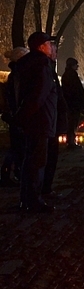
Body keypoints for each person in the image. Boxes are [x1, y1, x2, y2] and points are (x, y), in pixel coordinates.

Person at [12, 32, 58, 212]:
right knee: (37, 162)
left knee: (29, 161)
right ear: (41, 46)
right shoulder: (42, 65)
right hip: (41, 121)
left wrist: (20, 118)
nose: (51, 47)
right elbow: (38, 96)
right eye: (49, 43)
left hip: (31, 122)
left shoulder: (26, 64)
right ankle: (33, 201)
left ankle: (27, 199)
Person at [1, 47, 30, 187]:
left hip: (14, 115)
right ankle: (11, 174)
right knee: (18, 147)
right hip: (17, 116)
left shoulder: (15, 74)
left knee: (16, 147)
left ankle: (10, 173)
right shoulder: (18, 75)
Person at [42, 40, 68, 196]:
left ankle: (43, 188)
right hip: (46, 120)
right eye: (54, 50)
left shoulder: (47, 68)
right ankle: (41, 190)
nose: (56, 54)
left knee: (48, 156)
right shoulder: (44, 69)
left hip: (50, 119)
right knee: (44, 158)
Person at [61, 57, 84, 149]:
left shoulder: (66, 75)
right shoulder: (72, 75)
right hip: (73, 104)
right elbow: (77, 90)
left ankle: (71, 141)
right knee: (72, 124)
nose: (78, 66)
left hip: (70, 103)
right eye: (76, 64)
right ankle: (71, 142)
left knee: (71, 124)